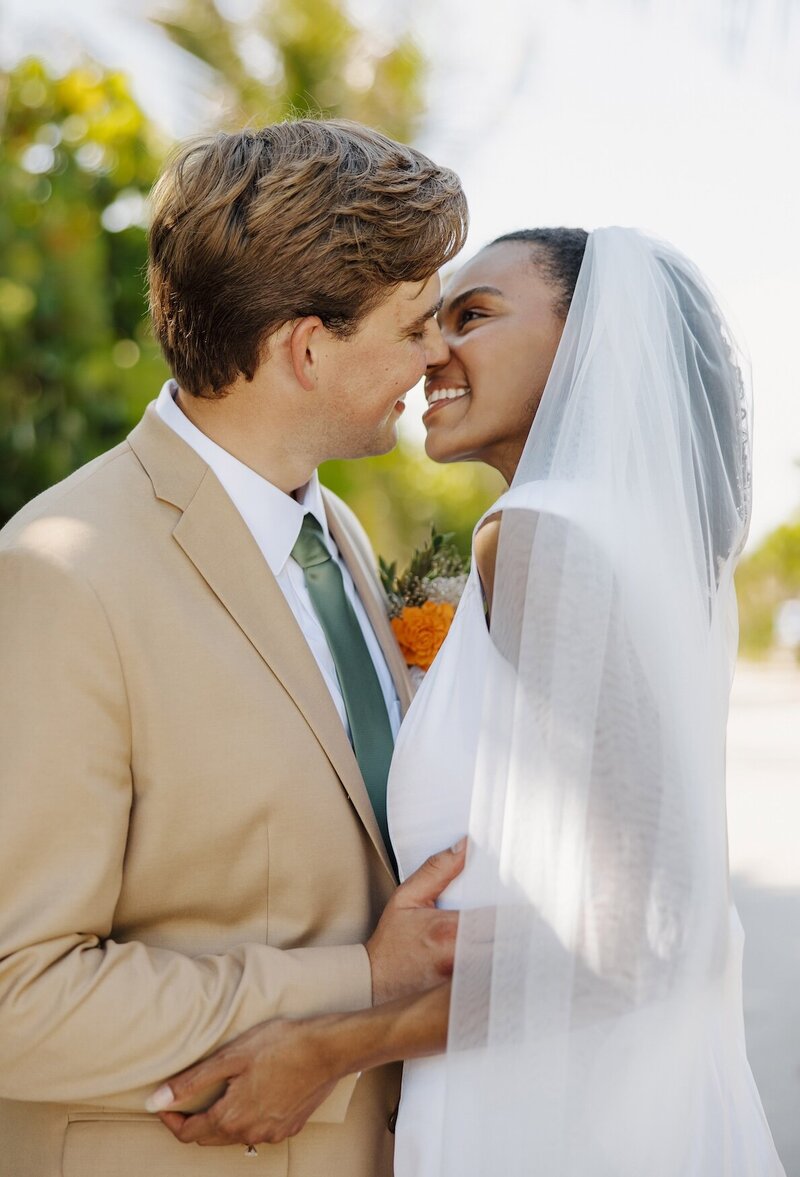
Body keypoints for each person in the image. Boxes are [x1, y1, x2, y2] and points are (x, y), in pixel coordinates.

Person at [158, 226, 787, 1177]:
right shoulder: (624, 545)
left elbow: (635, 932)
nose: (429, 352)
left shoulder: (539, 534)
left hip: (551, 1118)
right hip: (605, 1095)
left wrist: (333, 1046)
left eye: (473, 316)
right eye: (428, 323)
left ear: (584, 348)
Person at [0, 119, 471, 1177]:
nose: (437, 352)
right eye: (414, 324)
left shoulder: (333, 532)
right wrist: (353, 983)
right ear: (306, 346)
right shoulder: (62, 572)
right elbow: (13, 993)